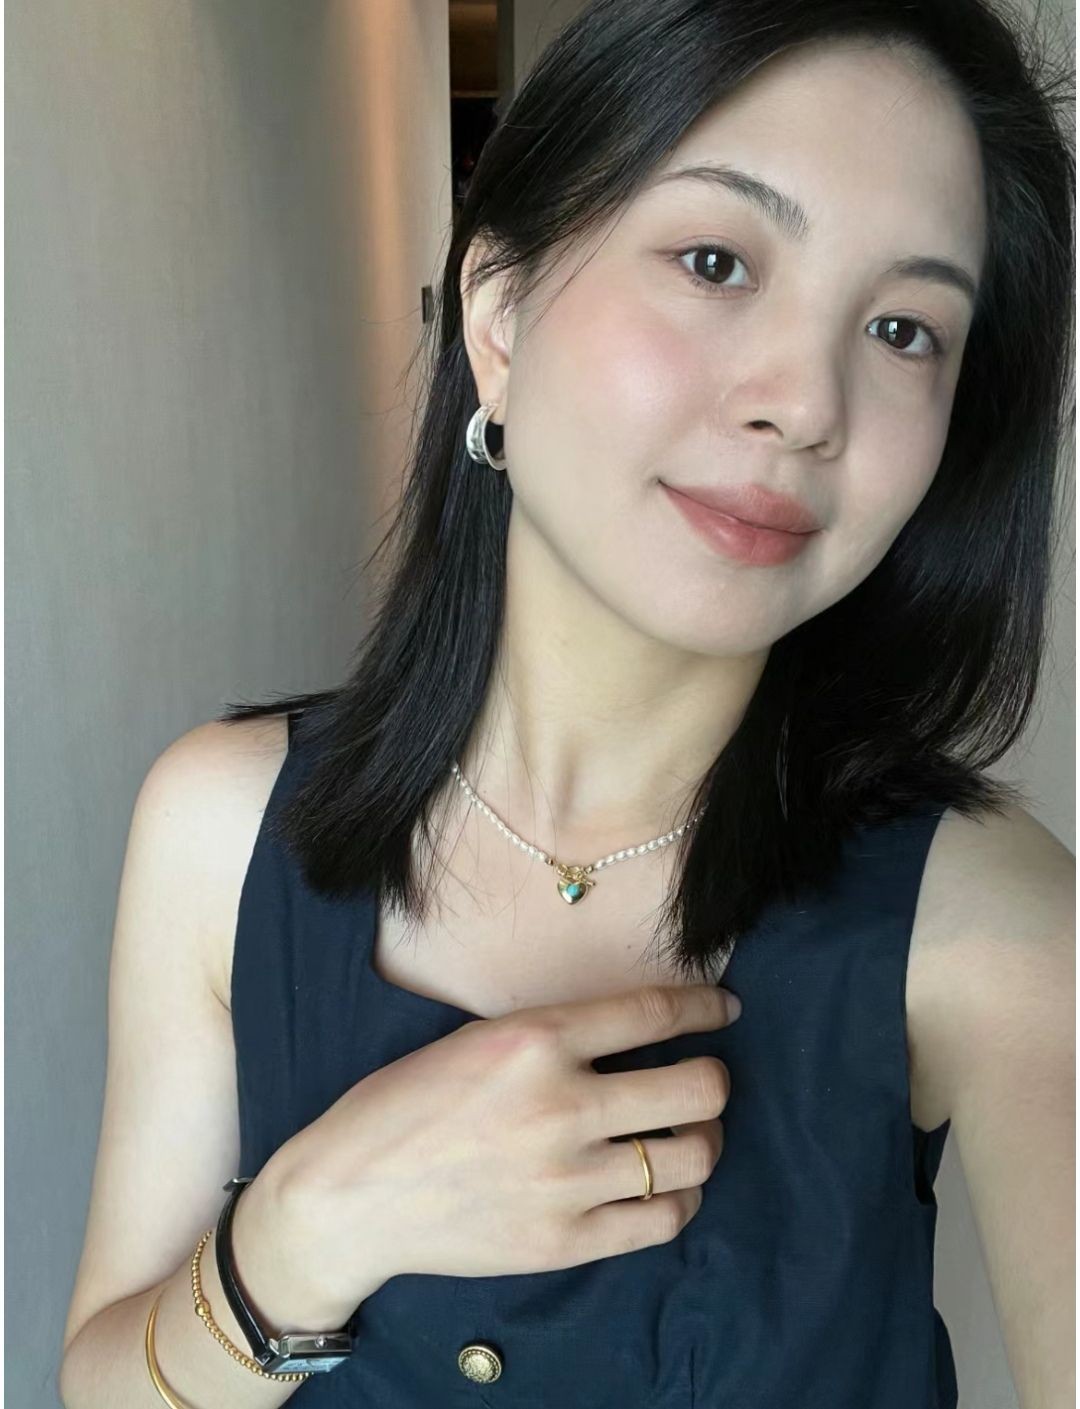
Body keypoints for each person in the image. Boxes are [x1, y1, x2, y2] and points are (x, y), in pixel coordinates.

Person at [59, 0, 1075, 1406]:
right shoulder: (221, 828)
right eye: (716, 261)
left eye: (905, 328)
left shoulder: (996, 929)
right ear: (500, 316)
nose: (805, 401)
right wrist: (302, 1234)